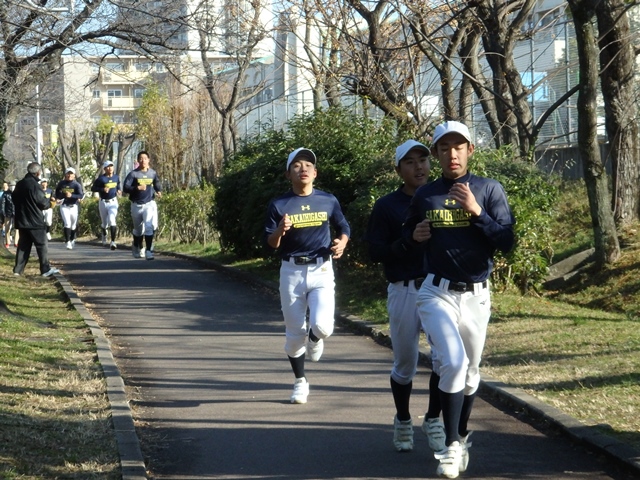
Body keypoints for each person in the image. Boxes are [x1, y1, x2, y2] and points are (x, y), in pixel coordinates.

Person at [403, 121, 515, 479]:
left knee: (471, 372)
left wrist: (477, 212)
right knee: (451, 361)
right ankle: (451, 445)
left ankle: (462, 435)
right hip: (436, 291)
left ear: (470, 150)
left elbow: (507, 241)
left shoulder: (488, 189)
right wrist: (416, 235)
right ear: (436, 153)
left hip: (477, 296)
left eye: (459, 147)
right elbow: (409, 232)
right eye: (444, 147)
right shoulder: (426, 195)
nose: (452, 153)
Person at [364, 140, 446, 454]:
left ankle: (434, 418)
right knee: (405, 365)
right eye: (410, 162)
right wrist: (406, 241)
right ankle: (402, 418)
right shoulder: (387, 206)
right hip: (404, 289)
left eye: (423, 159)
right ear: (398, 170)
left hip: (439, 289)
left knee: (443, 361)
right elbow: (375, 251)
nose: (419, 167)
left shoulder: (442, 198)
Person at [264, 147, 350, 404]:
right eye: (297, 166)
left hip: (321, 269)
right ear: (288, 174)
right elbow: (270, 243)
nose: (303, 169)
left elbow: (343, 225)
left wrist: (342, 241)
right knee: (293, 335)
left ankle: (315, 338)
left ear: (315, 173)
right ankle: (300, 381)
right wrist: (280, 230)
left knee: (323, 326)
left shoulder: (328, 200)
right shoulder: (279, 204)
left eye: (308, 166)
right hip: (291, 271)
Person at [12, 162, 59, 277]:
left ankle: (17, 270)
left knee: (23, 246)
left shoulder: (20, 184)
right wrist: (52, 203)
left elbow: (14, 198)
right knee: (42, 244)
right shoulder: (34, 185)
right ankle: (45, 269)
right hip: (35, 221)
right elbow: (42, 203)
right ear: (37, 173)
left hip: (22, 220)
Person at [123, 151, 162, 260]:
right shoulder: (133, 174)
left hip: (148, 204)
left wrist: (158, 191)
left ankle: (148, 251)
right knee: (138, 230)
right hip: (136, 205)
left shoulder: (152, 173)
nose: (143, 160)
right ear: (138, 160)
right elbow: (125, 188)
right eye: (141, 158)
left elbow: (156, 183)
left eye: (145, 158)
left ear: (148, 160)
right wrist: (136, 188)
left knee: (149, 226)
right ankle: (136, 246)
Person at [91, 160, 122, 250]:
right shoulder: (101, 179)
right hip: (103, 202)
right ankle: (104, 233)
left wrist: (119, 190)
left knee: (112, 221)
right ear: (104, 169)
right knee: (105, 223)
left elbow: (118, 185)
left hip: (113, 202)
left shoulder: (116, 177)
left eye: (111, 166)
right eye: (108, 166)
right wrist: (102, 189)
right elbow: (93, 188)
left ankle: (113, 242)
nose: (110, 168)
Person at [55, 167, 84, 250]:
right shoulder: (61, 183)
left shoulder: (76, 184)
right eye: (68, 173)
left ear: (74, 175)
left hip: (74, 206)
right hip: (64, 206)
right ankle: (67, 241)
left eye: (71, 174)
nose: (69, 175)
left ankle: (72, 239)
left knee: (73, 225)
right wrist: (59, 197)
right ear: (65, 174)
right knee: (67, 223)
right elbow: (57, 192)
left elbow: (80, 195)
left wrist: (72, 196)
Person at [1, 180, 17, 248]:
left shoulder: (18, 193)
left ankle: (16, 242)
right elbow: (3, 204)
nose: (12, 187)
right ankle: (8, 242)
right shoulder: (6, 194)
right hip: (8, 212)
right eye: (11, 186)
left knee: (17, 228)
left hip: (16, 212)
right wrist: (3, 212)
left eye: (13, 186)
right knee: (7, 228)